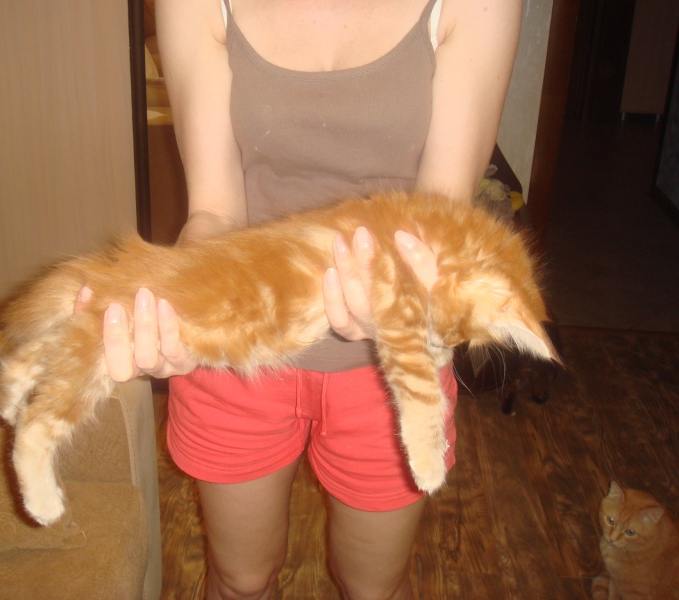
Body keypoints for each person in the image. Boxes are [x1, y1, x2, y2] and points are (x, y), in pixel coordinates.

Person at [81, 0, 521, 597]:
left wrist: (401, 301)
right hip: (240, 347)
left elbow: (438, 225)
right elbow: (215, 213)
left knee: (371, 588)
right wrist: (180, 305)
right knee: (240, 580)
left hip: (393, 370)